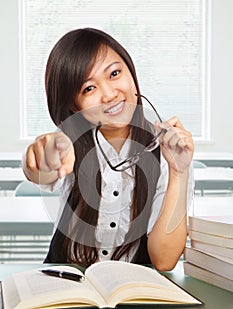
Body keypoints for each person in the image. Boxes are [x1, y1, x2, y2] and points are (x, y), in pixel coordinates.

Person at [22, 27, 194, 270]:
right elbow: (42, 169)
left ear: (131, 72)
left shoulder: (168, 150)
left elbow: (164, 261)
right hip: (67, 289)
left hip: (132, 295)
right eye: (89, 88)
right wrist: (44, 154)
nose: (109, 94)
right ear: (74, 106)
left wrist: (179, 172)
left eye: (114, 73)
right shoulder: (68, 144)